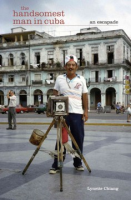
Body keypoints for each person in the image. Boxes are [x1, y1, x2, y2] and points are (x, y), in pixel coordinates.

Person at [49, 55, 88, 174]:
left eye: (73, 65)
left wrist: (85, 111)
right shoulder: (60, 78)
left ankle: (77, 163)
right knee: (61, 139)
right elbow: (55, 94)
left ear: (76, 67)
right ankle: (57, 164)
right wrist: (54, 111)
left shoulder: (81, 79)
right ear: (65, 66)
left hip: (77, 113)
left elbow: (84, 96)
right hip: (62, 114)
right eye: (68, 65)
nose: (71, 67)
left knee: (78, 139)